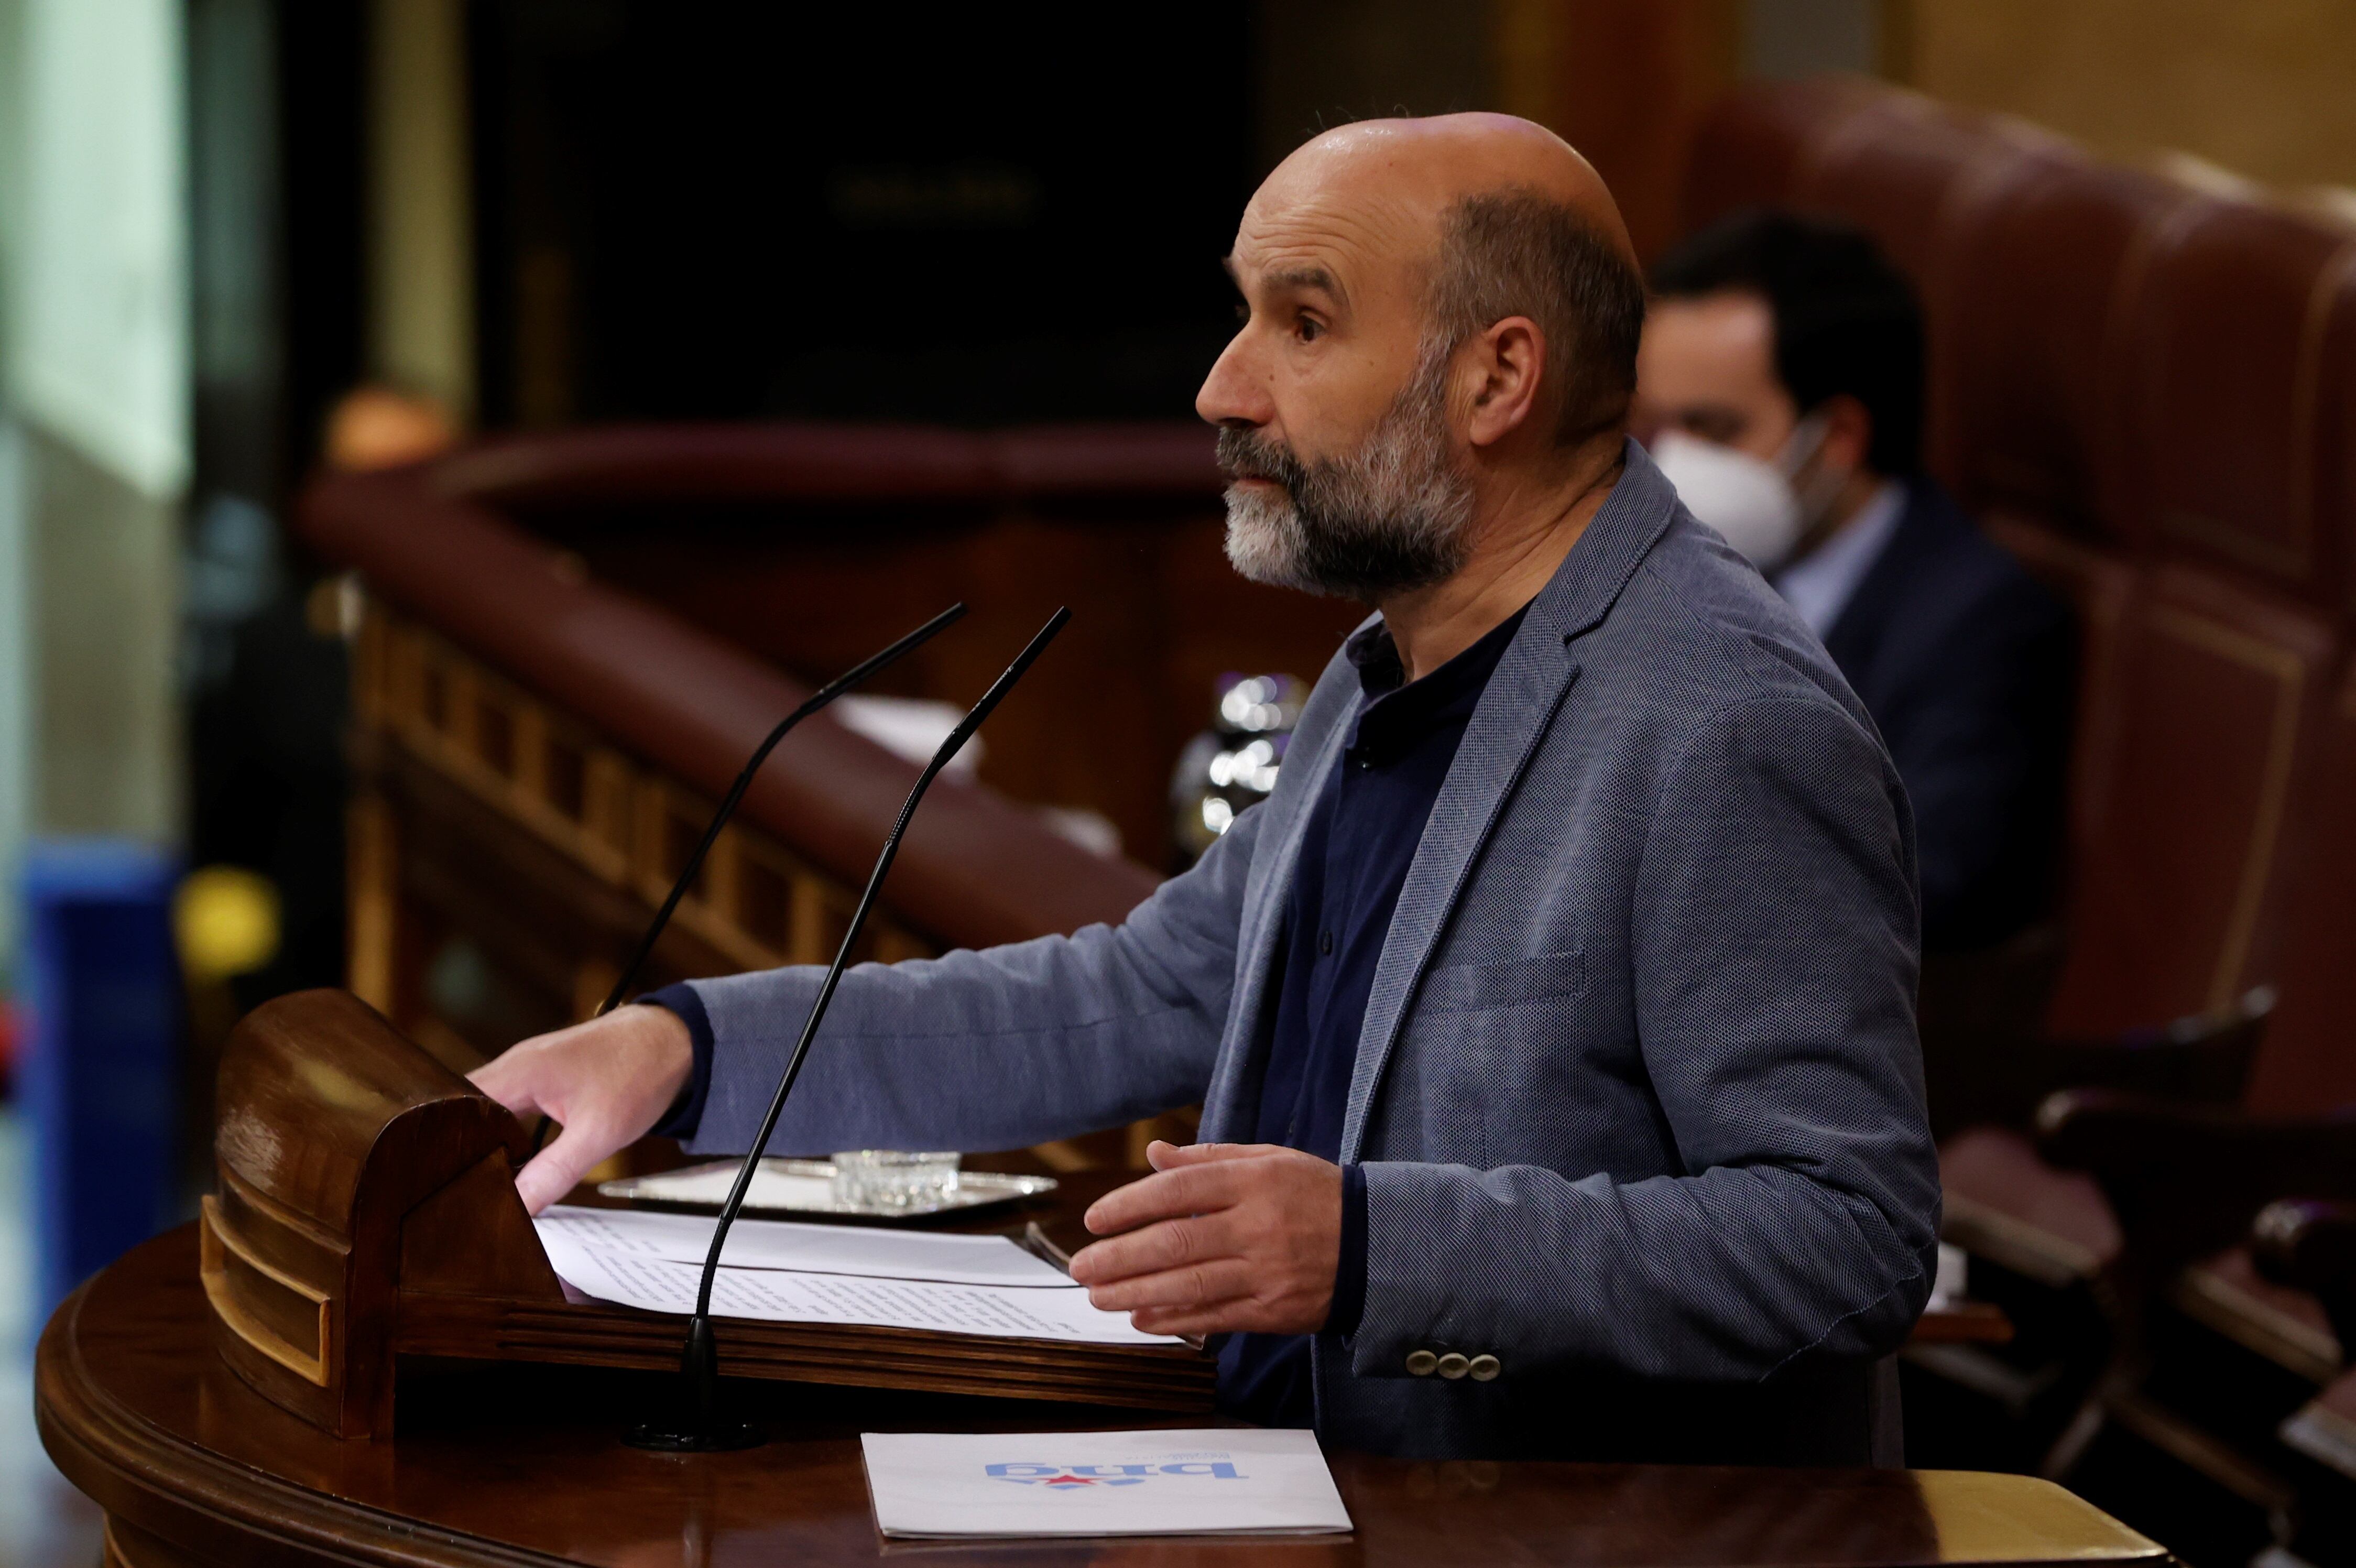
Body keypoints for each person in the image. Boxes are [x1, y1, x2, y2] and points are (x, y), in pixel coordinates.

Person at [474, 116, 1939, 1465]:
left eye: (1301, 324)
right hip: (1265, 1480)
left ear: (1497, 378)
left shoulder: (1726, 720)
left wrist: (1368, 1249)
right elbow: (1139, 992)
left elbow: (1844, 1239)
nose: (1221, 388)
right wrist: (688, 1051)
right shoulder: (1392, 663)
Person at [1638, 210, 2075, 953]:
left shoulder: (1978, 622)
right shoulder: (1666, 568)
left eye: (1713, 430)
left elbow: (1932, 885)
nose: (1671, 463)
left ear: (1838, 438)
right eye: (1658, 427)